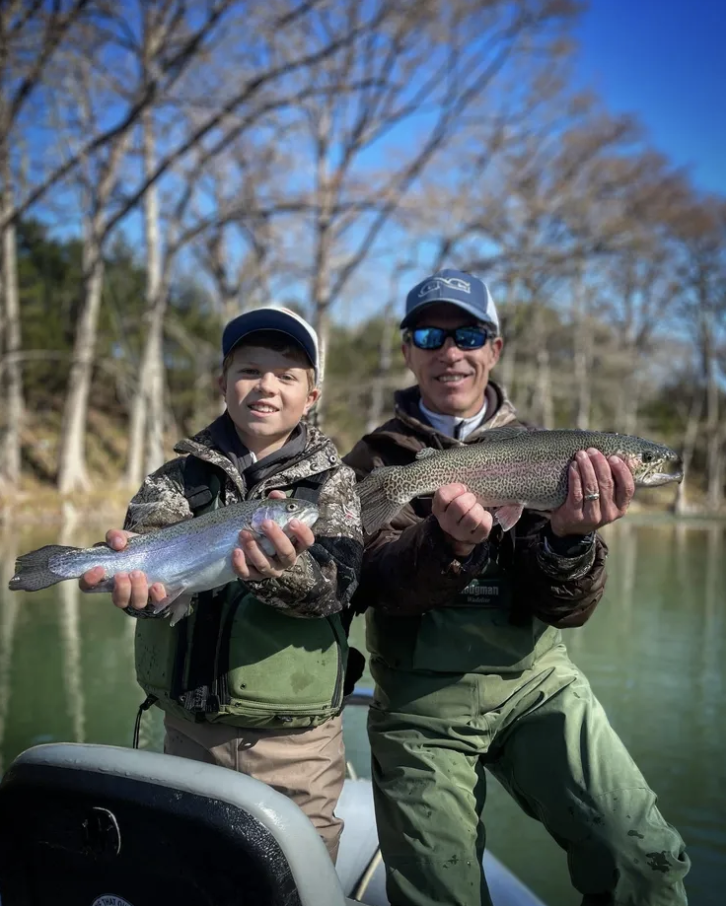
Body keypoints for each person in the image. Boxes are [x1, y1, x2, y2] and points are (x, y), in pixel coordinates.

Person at [343, 269, 689, 904]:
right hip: (420, 701)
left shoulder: (548, 449)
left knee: (644, 859)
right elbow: (363, 584)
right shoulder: (374, 461)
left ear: (493, 349)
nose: (450, 351)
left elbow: (569, 608)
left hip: (537, 684)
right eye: (430, 334)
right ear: (407, 351)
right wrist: (444, 544)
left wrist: (569, 539)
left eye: (468, 334)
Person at [80, 306, 363, 863]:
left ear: (312, 397)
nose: (266, 387)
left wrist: (282, 571)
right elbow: (151, 579)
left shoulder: (335, 484)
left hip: (298, 750)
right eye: (249, 371)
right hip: (187, 738)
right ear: (223, 384)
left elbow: (340, 586)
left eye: (287, 376)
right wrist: (141, 597)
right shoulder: (172, 480)